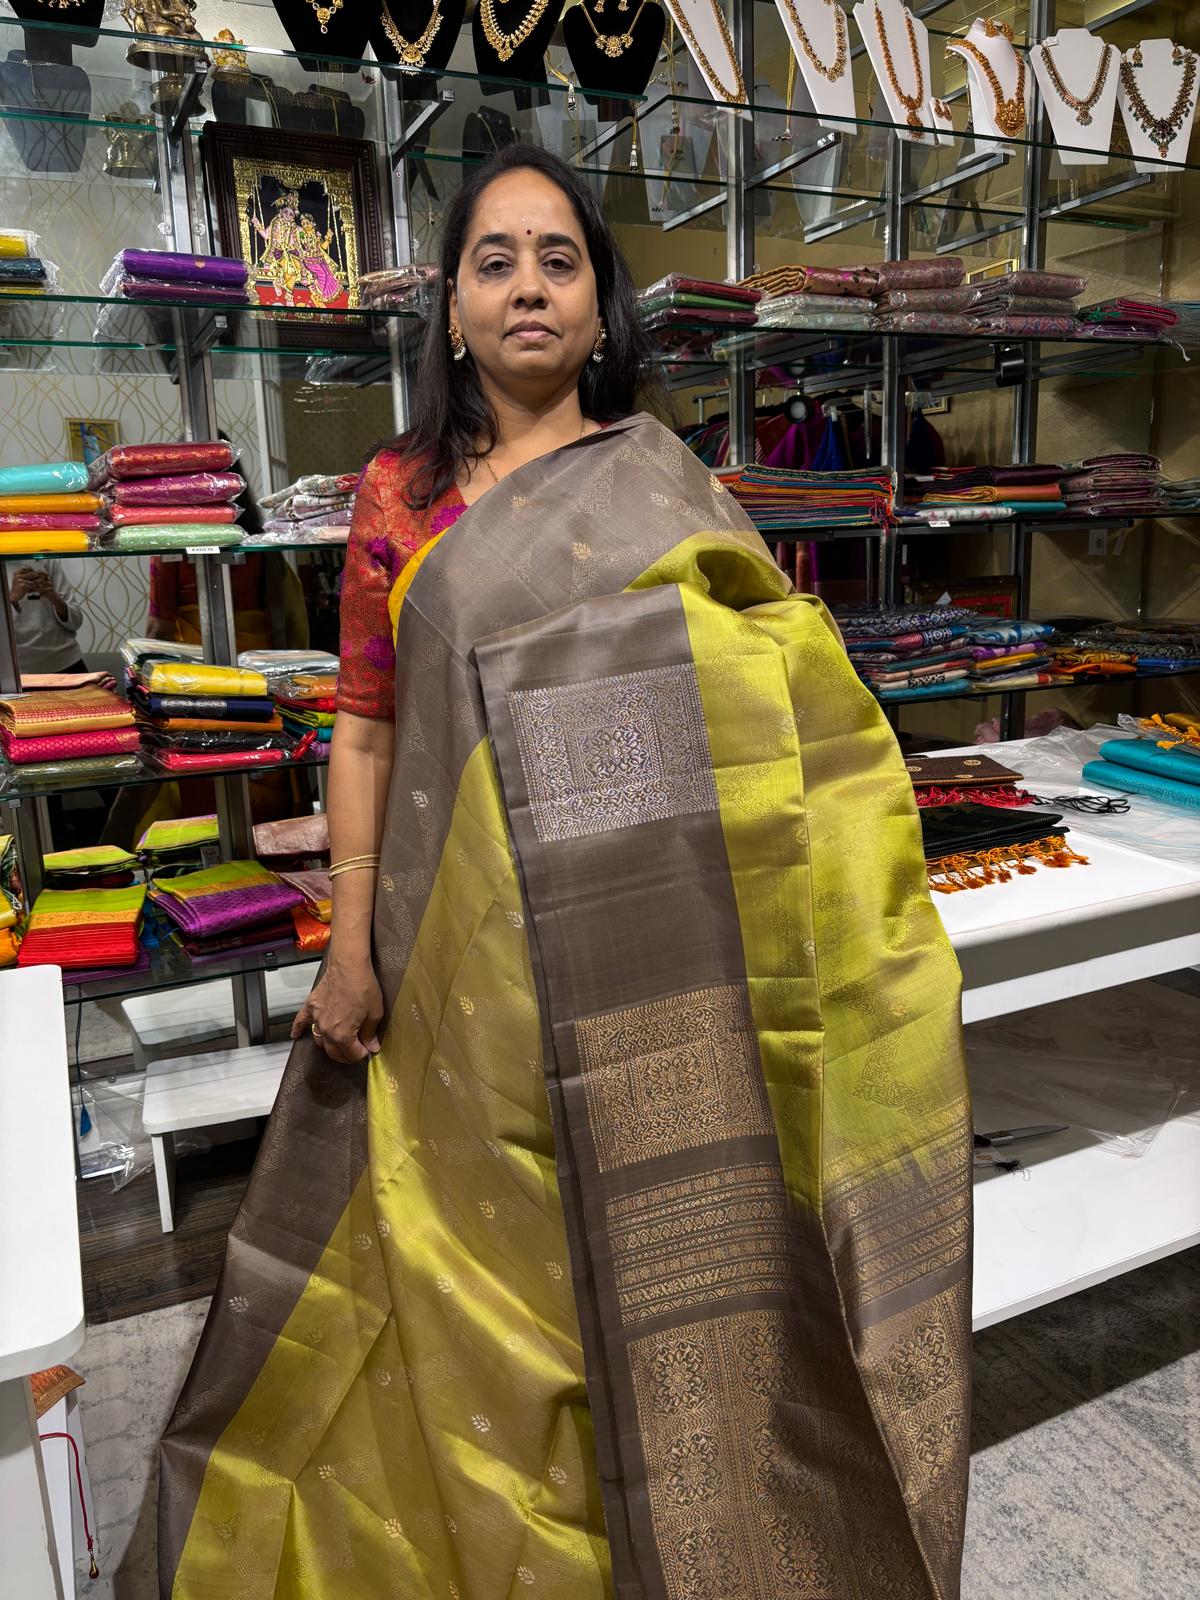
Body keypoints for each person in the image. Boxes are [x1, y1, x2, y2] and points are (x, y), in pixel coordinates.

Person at [160, 145, 971, 1600]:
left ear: (602, 309)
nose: (529, 285)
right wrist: (349, 940)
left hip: (640, 955)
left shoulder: (667, 485)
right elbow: (363, 728)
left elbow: (784, 714)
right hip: (457, 957)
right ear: (454, 311)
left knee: (649, 1275)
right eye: (495, 261)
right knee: (479, 1270)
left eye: (560, 259)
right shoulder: (397, 500)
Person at [7, 561, 86, 674]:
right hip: (17, 671)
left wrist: (54, 598)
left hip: (67, 661)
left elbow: (76, 621)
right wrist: (12, 599)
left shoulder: (46, 559)